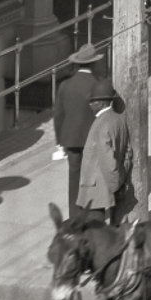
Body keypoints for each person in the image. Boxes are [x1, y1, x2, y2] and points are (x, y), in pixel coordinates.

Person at [52, 42, 104, 220]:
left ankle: (75, 215)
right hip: (93, 141)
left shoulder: (65, 86)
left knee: (74, 177)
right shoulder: (98, 85)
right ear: (94, 64)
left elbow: (58, 115)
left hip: (71, 140)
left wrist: (60, 142)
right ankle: (93, 215)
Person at [75, 76, 134, 225]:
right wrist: (122, 173)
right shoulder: (118, 120)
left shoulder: (101, 125)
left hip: (95, 192)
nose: (90, 104)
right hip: (103, 188)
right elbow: (128, 151)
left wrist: (116, 184)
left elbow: (107, 160)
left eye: (92, 101)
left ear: (100, 103)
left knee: (94, 235)